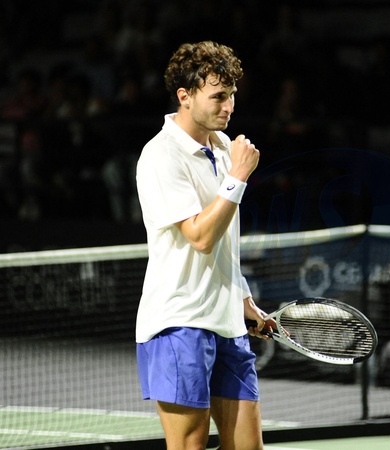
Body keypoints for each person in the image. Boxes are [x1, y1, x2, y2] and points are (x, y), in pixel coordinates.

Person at [135, 40, 273, 450]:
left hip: (227, 323)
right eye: (218, 96)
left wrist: (242, 298)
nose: (228, 106)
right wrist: (238, 178)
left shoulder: (226, 148)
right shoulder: (160, 156)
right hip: (179, 322)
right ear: (185, 96)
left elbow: (225, 243)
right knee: (189, 446)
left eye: (232, 95)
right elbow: (199, 236)